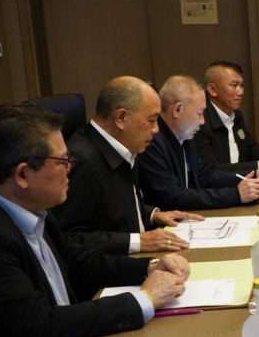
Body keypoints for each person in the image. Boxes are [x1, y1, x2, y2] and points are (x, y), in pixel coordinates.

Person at [0, 106, 188, 337]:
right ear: (22, 175)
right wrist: (143, 299)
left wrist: (149, 267)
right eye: (63, 160)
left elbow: (77, 264)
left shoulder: (30, 209)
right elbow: (39, 325)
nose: (71, 167)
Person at [53, 76, 203, 255]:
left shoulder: (122, 146)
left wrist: (151, 214)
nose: (156, 130)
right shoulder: (83, 161)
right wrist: (137, 241)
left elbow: (108, 210)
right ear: (121, 118)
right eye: (151, 120)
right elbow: (68, 239)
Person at [139, 75, 259, 210]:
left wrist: (252, 175)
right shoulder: (152, 142)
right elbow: (173, 197)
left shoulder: (185, 135)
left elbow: (204, 176)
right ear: (177, 110)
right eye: (199, 113)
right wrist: (235, 194)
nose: (202, 122)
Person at [194, 61, 259, 175]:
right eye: (234, 85)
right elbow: (212, 171)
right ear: (212, 90)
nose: (241, 92)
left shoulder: (236, 115)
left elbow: (249, 146)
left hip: (243, 181)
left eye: (242, 86)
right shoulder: (200, 121)